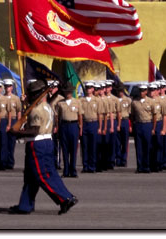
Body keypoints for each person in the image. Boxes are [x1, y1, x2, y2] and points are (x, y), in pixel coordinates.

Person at [7, 79, 78, 216]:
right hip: (46, 142)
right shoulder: (48, 107)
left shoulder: (36, 110)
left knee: (42, 176)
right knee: (31, 177)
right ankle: (25, 205)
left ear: (39, 94)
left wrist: (16, 133)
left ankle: (65, 198)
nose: (30, 96)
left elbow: (34, 130)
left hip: (37, 144)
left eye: (32, 94)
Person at [55, 87, 81, 177]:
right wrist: (57, 128)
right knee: (65, 149)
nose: (68, 93)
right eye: (66, 91)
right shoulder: (60, 103)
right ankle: (66, 170)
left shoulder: (77, 102)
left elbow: (80, 115)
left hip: (74, 125)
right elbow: (57, 117)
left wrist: (80, 127)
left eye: (69, 91)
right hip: (64, 125)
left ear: (72, 92)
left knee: (73, 149)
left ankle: (73, 170)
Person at [129, 83, 154, 173]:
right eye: (140, 91)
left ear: (146, 91)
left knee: (147, 146)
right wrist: (133, 125)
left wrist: (153, 128)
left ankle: (147, 166)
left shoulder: (151, 102)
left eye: (143, 91)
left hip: (147, 124)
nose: (141, 92)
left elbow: (154, 115)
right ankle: (140, 166)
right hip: (138, 125)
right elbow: (132, 115)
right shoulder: (134, 102)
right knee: (139, 147)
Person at [78, 82, 99, 173]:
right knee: (85, 146)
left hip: (93, 123)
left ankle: (92, 166)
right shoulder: (81, 100)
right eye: (87, 88)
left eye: (90, 88)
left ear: (93, 89)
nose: (88, 90)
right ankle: (85, 166)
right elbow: (81, 115)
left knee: (93, 146)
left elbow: (100, 115)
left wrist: (100, 127)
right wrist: (81, 127)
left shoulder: (97, 100)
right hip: (85, 123)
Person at [113, 83, 132, 167]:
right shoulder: (115, 100)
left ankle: (124, 160)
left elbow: (131, 114)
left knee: (125, 142)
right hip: (117, 121)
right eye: (118, 91)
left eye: (121, 91)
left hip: (125, 120)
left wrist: (130, 125)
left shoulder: (128, 100)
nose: (120, 92)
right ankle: (118, 159)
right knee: (117, 142)